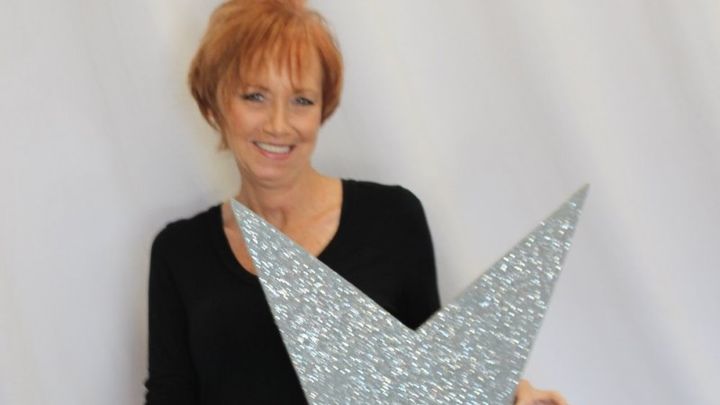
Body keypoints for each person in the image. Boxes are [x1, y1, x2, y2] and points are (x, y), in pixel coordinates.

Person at [144, 1, 568, 404]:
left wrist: (509, 394)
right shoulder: (179, 253)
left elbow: (431, 384)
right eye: (255, 96)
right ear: (214, 105)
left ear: (322, 110)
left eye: (301, 100)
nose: (278, 124)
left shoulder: (392, 220)